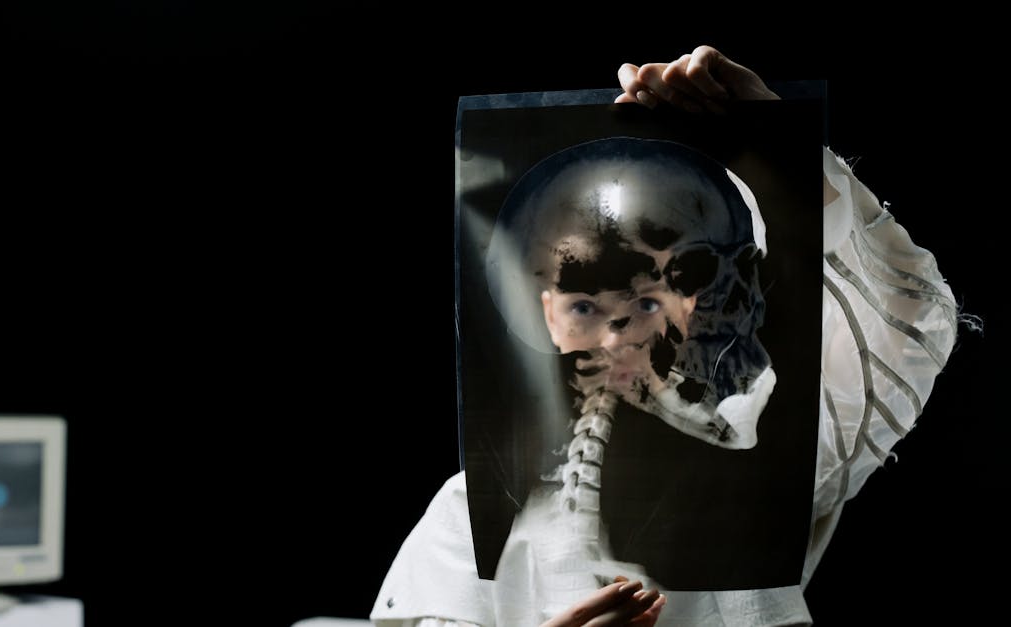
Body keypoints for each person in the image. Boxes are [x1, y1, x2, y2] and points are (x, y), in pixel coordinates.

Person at [370, 46, 960, 627]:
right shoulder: (464, 518)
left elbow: (905, 329)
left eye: (655, 298)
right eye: (587, 307)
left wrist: (789, 149)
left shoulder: (769, 468)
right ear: (550, 316)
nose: (621, 336)